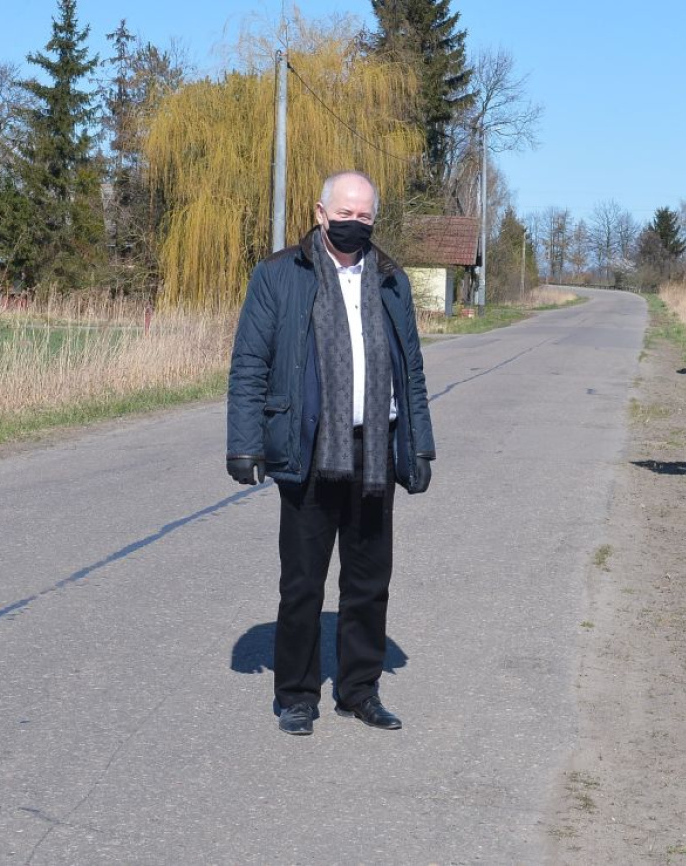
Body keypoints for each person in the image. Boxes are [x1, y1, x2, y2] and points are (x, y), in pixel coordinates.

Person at [226, 170, 435, 735]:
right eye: (344, 214)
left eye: (364, 216)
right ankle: (296, 695)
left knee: (369, 581)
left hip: (374, 449)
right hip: (309, 447)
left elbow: (411, 369)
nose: (354, 224)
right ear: (320, 213)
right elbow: (249, 363)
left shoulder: (391, 279)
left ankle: (359, 690)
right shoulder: (279, 275)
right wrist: (244, 444)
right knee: (302, 583)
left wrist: (420, 446)